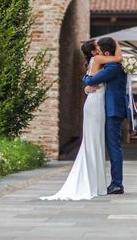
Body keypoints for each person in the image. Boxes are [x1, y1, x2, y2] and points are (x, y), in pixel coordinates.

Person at [40, 39, 122, 200]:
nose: (98, 48)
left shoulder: (96, 61)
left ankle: (96, 183)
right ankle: (92, 182)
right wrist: (116, 43)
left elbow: (89, 79)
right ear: (93, 51)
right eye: (97, 47)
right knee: (92, 142)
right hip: (95, 106)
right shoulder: (98, 59)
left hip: (96, 103)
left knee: (95, 142)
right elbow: (118, 59)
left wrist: (86, 85)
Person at [83, 37, 128, 195]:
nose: (96, 54)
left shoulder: (113, 67)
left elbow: (91, 79)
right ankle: (111, 182)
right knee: (109, 145)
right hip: (108, 108)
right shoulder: (109, 65)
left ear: (107, 52)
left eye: (99, 51)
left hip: (113, 110)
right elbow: (90, 78)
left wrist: (87, 85)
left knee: (113, 146)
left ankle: (117, 184)